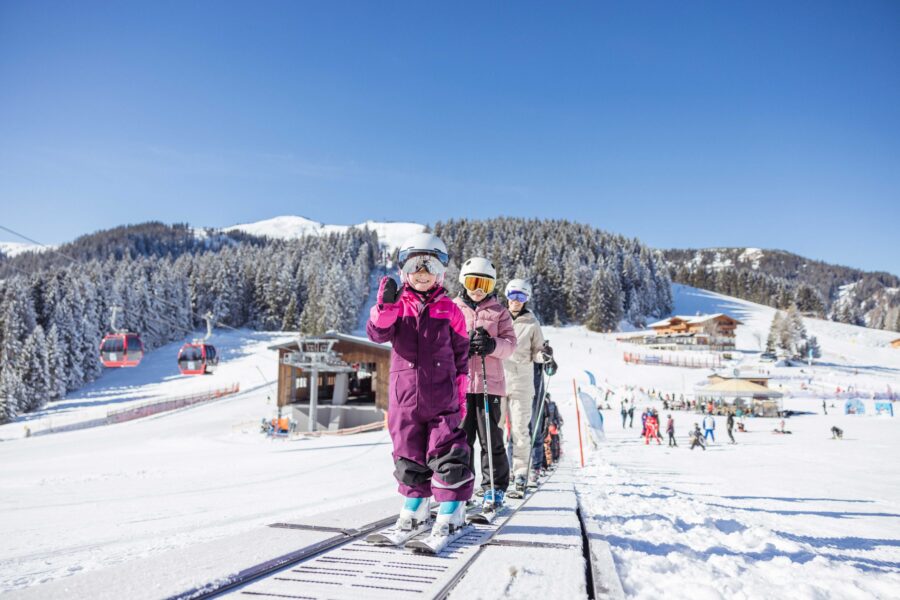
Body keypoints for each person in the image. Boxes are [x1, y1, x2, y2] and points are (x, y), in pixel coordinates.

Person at [367, 233, 472, 537]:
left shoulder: (451, 310)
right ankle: (416, 504)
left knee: (447, 451)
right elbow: (377, 334)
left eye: (430, 270)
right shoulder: (397, 307)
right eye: (416, 269)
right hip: (404, 398)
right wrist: (384, 308)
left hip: (442, 396)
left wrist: (461, 394)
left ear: (441, 274)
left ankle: (452, 507)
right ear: (405, 273)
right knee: (407, 451)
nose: (423, 276)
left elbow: (461, 357)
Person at [454, 256, 517, 509]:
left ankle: (494, 488)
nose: (478, 289)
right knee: (461, 439)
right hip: (461, 387)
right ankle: (461, 488)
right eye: (472, 282)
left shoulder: (500, 312)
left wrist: (491, 345)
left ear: (492, 286)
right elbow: (443, 343)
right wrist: (461, 348)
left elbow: (511, 345)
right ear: (463, 281)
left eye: (484, 284)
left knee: (491, 438)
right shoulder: (454, 308)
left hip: (490, 386)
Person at [501, 278, 552, 493]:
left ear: (526, 299)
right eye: (513, 295)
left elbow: (537, 352)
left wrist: (544, 355)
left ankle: (520, 473)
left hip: (522, 382)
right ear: (507, 295)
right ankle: (496, 474)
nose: (516, 301)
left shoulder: (532, 323)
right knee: (495, 429)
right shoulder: (498, 317)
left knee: (521, 430)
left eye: (521, 297)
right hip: (498, 380)